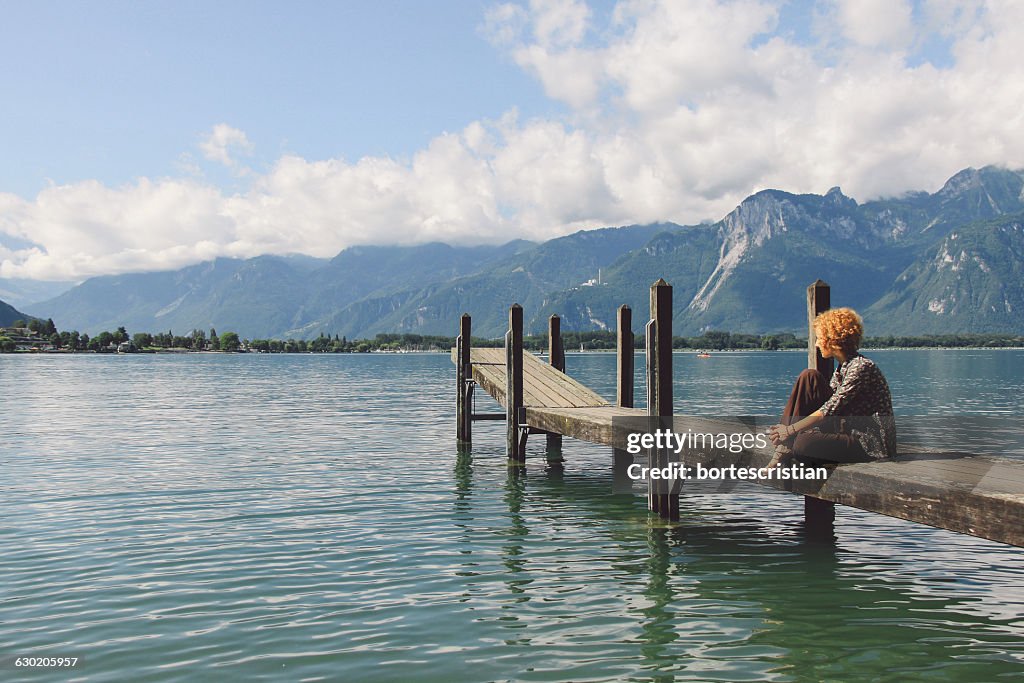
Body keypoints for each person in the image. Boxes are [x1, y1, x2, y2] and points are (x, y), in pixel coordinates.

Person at [767, 308, 896, 467]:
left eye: (819, 338)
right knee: (809, 376)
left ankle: (786, 444)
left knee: (803, 445)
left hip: (869, 445)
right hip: (847, 430)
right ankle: (784, 447)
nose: (816, 344)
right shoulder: (842, 369)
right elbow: (827, 406)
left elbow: (829, 409)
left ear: (832, 340)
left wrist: (789, 430)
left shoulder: (862, 367)